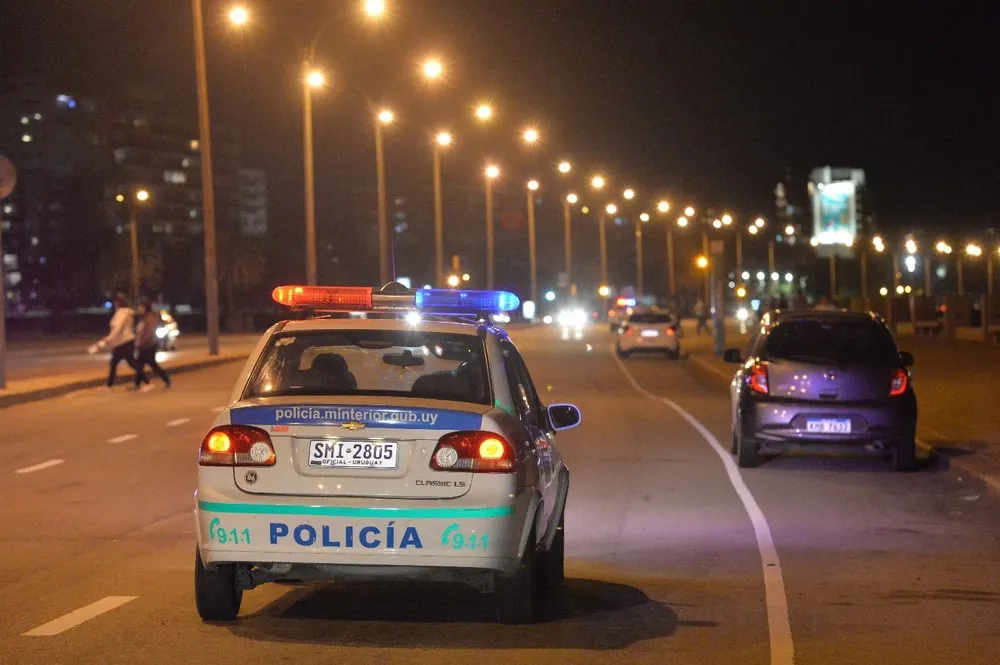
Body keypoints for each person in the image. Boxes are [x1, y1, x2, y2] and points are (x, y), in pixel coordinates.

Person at [89, 293, 139, 390]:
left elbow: (117, 329)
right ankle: (145, 382)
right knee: (129, 363)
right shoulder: (127, 312)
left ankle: (109, 385)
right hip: (126, 341)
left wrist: (108, 339)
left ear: (117, 302)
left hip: (123, 342)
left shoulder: (121, 313)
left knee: (115, 363)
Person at [134, 299, 171, 392]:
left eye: (141, 307)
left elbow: (149, 331)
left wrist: (142, 342)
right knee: (140, 364)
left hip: (149, 345)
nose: (139, 308)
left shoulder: (150, 316)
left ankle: (165, 380)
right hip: (144, 345)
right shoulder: (143, 317)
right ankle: (138, 383)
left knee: (151, 364)